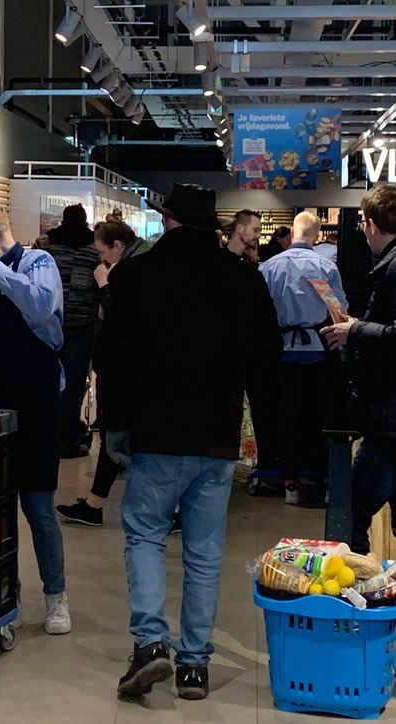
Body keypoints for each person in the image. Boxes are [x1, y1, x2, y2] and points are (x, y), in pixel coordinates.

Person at [100, 184, 281, 700]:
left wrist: (115, 424)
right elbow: (269, 352)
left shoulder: (136, 274)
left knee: (145, 535)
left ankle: (151, 643)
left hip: (154, 429)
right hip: (216, 433)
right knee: (204, 551)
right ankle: (195, 666)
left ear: (170, 219)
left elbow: (114, 358)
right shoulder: (242, 279)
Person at [0, 202, 71, 635]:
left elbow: (41, 306)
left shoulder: (37, 262)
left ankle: (56, 597)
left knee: (39, 506)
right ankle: (1, 595)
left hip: (38, 404)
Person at [57, 219, 150, 528]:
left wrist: (103, 285)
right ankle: (95, 504)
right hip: (128, 369)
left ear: (117, 246)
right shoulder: (137, 263)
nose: (100, 258)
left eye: (102, 251)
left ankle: (102, 505)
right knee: (118, 435)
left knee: (120, 436)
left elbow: (122, 318)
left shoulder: (127, 270)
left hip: (126, 370)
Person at [321, 185, 396, 554]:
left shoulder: (394, 266)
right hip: (386, 417)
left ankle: (361, 600)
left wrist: (355, 330)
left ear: (371, 224)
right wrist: (355, 329)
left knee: (348, 512)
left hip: (389, 420)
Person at [260, 211, 348, 505]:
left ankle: (290, 484)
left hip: (281, 350)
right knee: (328, 415)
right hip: (319, 348)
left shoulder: (268, 267)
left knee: (286, 417)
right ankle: (329, 483)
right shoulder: (324, 266)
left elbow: (259, 310)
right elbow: (339, 309)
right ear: (317, 233)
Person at [46, 204, 100, 458]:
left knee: (48, 382)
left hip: (50, 323)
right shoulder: (94, 249)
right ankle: (67, 438)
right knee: (75, 383)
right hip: (82, 323)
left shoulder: (46, 244)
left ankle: (48, 435)